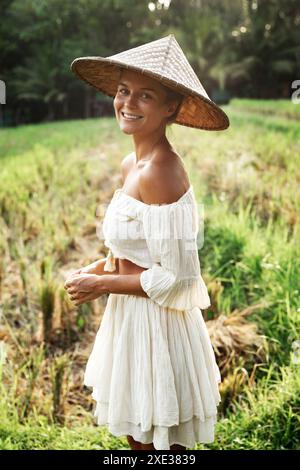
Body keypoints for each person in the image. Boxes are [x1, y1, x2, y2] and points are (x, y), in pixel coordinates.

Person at [65, 34, 229, 451]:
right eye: (123, 91)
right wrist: (98, 269)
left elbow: (177, 278)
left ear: (170, 108)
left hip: (157, 326)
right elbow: (133, 249)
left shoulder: (163, 171)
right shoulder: (131, 164)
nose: (127, 103)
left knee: (155, 445)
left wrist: (101, 286)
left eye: (145, 96)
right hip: (131, 319)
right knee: (136, 438)